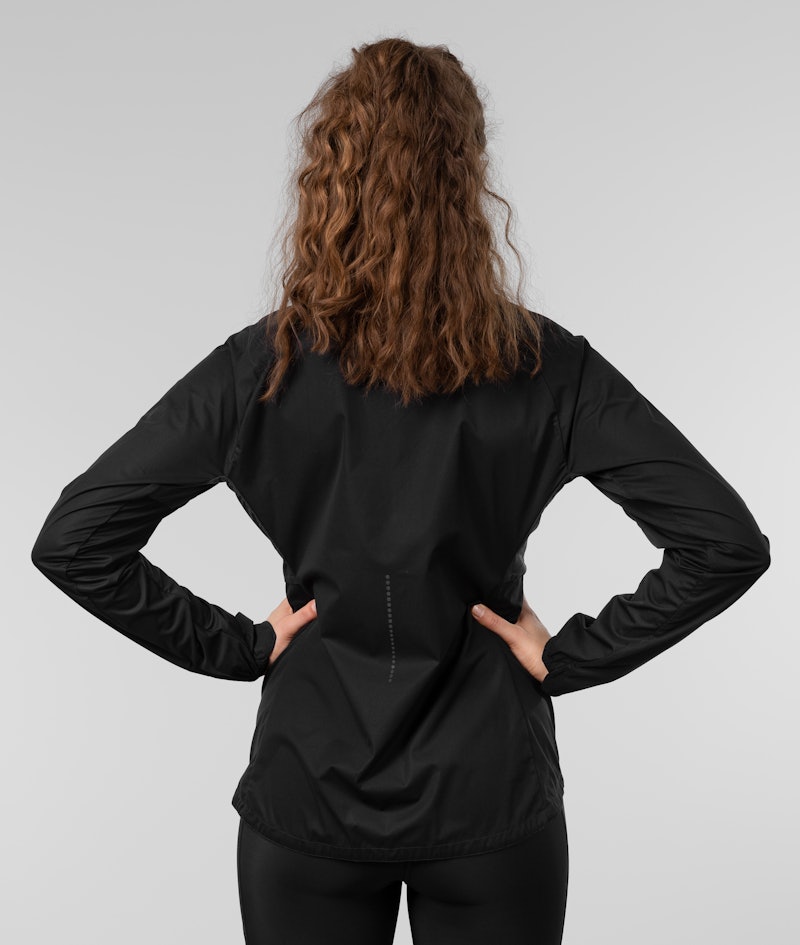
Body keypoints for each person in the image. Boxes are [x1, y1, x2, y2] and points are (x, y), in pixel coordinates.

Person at [30, 37, 770, 945]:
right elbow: (724, 543)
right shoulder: (546, 367)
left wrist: (243, 646)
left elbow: (77, 538)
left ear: (327, 181)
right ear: (468, 183)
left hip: (311, 795)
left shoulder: (259, 368)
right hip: (489, 798)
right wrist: (569, 656)